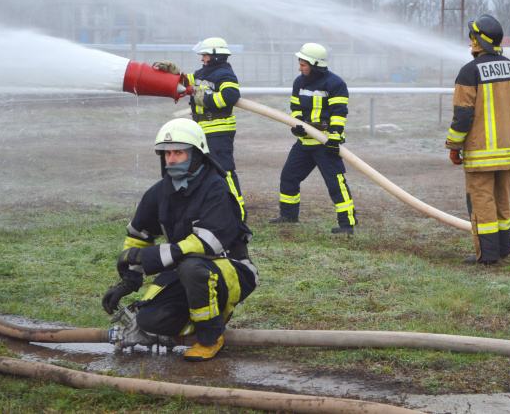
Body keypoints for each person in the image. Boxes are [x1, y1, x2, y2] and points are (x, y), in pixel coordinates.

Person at [101, 118, 258, 361]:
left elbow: (208, 243)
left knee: (191, 266)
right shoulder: (158, 193)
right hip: (184, 272)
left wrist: (151, 257)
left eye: (178, 153)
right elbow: (138, 235)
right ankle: (199, 320)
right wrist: (129, 281)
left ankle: (210, 337)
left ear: (196, 155)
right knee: (149, 319)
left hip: (231, 269)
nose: (171, 160)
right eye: (166, 154)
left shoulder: (217, 189)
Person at [445, 15, 510, 266]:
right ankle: (503, 249)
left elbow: (463, 115)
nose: (470, 44)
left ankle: (487, 255)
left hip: (481, 153)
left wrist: (454, 145)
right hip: (508, 151)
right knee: (502, 200)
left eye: (472, 38)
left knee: (482, 202)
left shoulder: (469, 72)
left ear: (479, 41)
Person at [269, 43, 357, 234]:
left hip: (325, 142)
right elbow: (296, 108)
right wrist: (298, 125)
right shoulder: (299, 82)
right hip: (305, 142)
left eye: (303, 64)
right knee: (289, 176)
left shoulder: (335, 84)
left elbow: (339, 112)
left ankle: (347, 224)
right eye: (299, 64)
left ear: (315, 64)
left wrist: (334, 137)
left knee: (335, 183)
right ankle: (288, 215)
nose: (299, 68)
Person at [153, 37, 246, 220]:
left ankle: (238, 214)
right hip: (202, 130)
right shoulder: (203, 73)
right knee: (201, 170)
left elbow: (231, 96)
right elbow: (187, 83)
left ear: (214, 56)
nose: (202, 58)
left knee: (224, 170)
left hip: (218, 130)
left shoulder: (224, 74)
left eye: (204, 54)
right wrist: (173, 73)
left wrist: (206, 99)